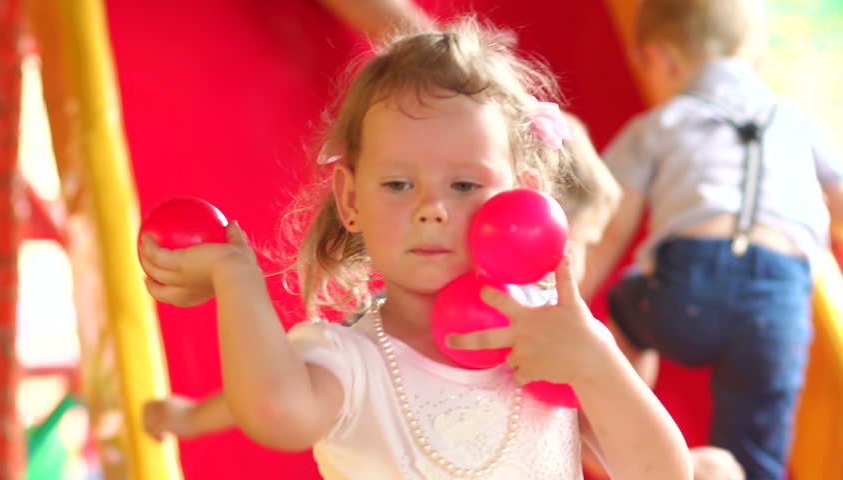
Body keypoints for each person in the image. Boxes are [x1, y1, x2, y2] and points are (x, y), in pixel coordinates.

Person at [139, 18, 691, 479]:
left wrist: (595, 363)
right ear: (351, 200)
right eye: (399, 185)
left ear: (522, 196)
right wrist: (237, 276)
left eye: (465, 185)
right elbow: (276, 414)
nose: (432, 209)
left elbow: (665, 473)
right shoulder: (350, 362)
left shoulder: (552, 339)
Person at [578, 1, 843, 479]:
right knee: (755, 456)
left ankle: (627, 437)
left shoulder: (659, 124)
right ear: (752, 56)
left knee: (626, 305)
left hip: (685, 295)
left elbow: (608, 225)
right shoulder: (794, 119)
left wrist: (570, 305)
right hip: (779, 308)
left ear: (661, 59)